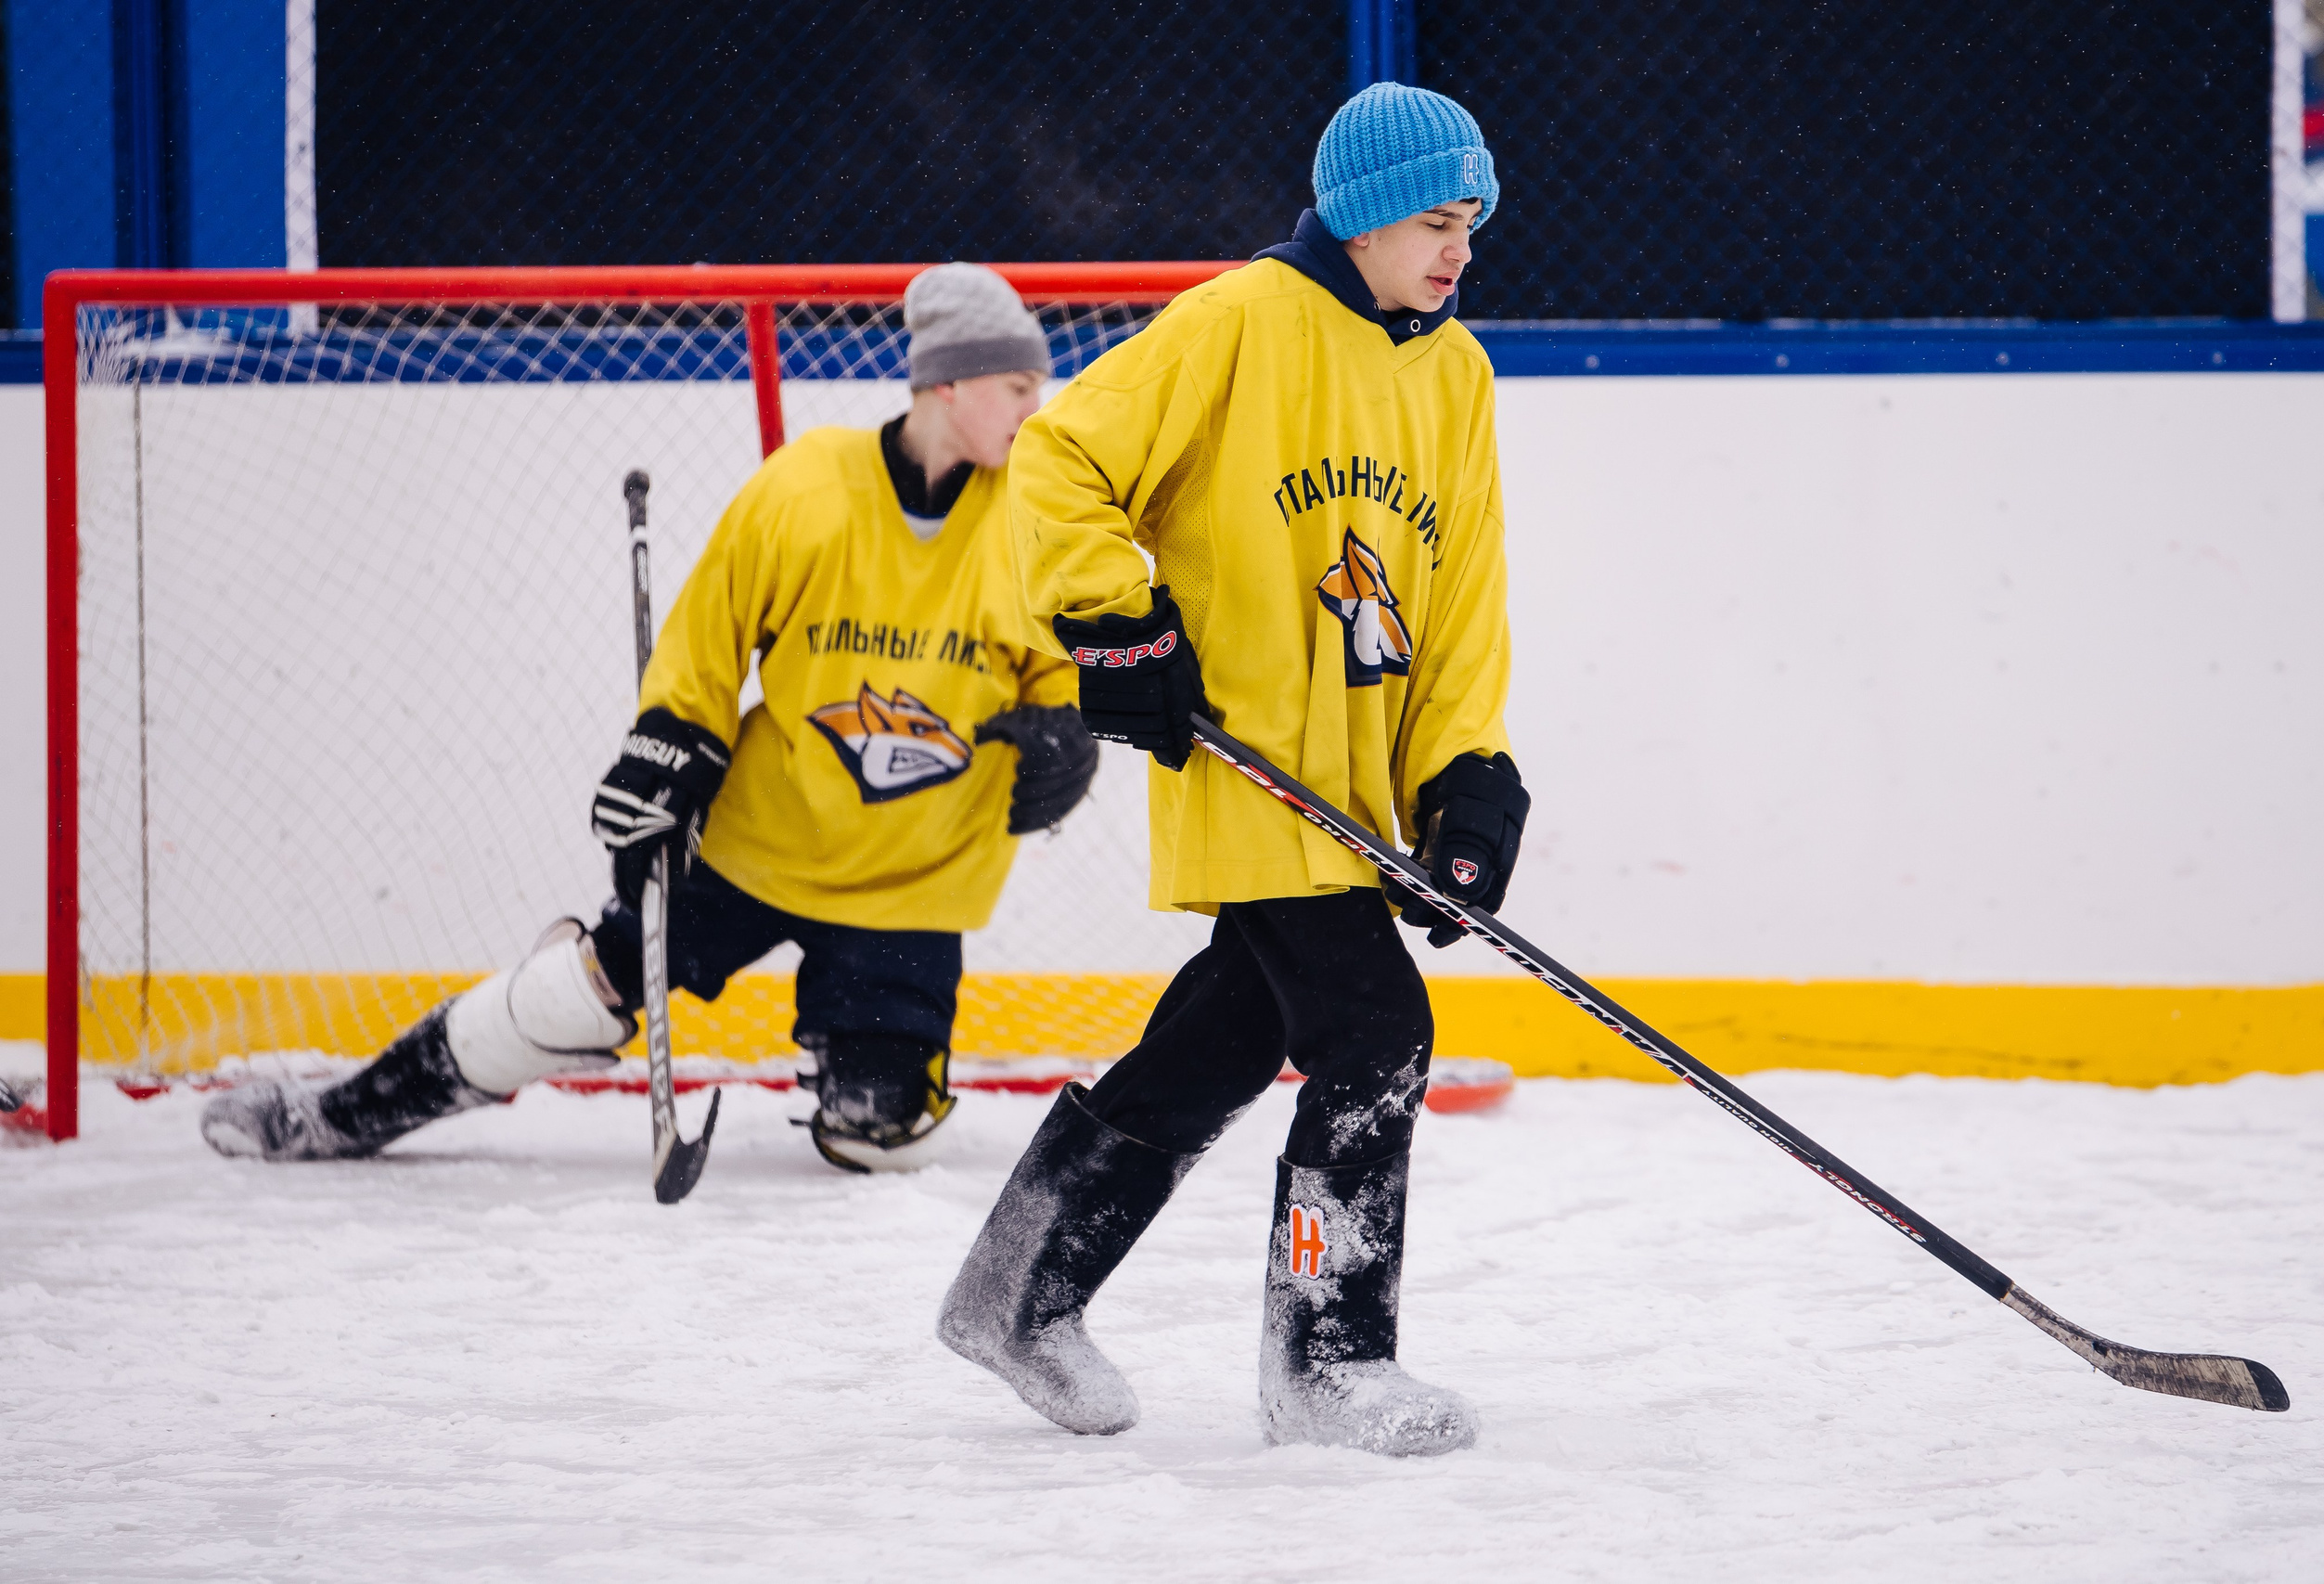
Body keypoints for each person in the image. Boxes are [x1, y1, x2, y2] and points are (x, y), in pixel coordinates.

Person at [202, 264, 1096, 1175]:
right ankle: (339, 1114)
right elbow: (704, 648)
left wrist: (1067, 735)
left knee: (878, 1135)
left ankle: (862, 1071)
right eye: (1020, 386)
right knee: (564, 1000)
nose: (1039, 405)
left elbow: (1058, 665)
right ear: (948, 382)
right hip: (762, 841)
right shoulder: (806, 490)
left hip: (915, 878)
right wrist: (664, 755)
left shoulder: (1029, 515)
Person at [937, 83, 1529, 1455]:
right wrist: (1119, 624)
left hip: (1354, 790)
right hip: (1246, 766)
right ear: (1370, 217)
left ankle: (1016, 1290)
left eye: (1472, 227)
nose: (1458, 251)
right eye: (1437, 222)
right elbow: (1061, 463)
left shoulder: (1459, 373)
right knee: (1376, 1033)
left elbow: (1462, 601)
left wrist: (1468, 776)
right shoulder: (1236, 323)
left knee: (1224, 1037)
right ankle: (1325, 1358)